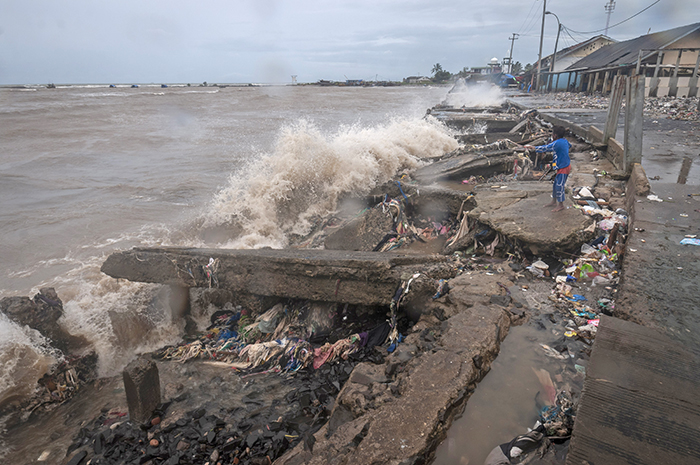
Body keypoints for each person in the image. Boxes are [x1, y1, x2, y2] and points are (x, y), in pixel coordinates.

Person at [525, 125, 571, 212]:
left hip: (564, 168)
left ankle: (560, 205)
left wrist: (533, 148)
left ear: (555, 136)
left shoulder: (557, 143)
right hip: (563, 165)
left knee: (559, 185)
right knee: (555, 185)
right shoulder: (564, 141)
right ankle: (554, 202)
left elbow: (546, 148)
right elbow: (570, 146)